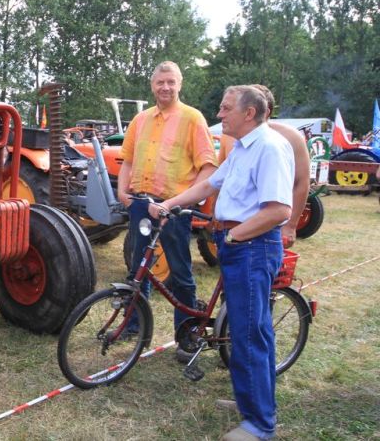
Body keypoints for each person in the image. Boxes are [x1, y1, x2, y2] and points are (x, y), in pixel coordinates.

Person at [150, 84, 294, 441]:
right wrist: (168, 205)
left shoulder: (270, 148)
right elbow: (206, 186)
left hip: (250, 246)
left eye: (226, 108)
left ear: (249, 113)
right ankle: (252, 405)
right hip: (240, 245)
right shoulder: (244, 149)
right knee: (250, 331)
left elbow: (279, 210)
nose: (219, 114)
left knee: (248, 334)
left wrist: (234, 236)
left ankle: (260, 424)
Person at [117, 61, 217, 359]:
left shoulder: (192, 119)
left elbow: (208, 168)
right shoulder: (141, 120)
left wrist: (184, 202)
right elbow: (128, 160)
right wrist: (123, 193)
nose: (165, 87)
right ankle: (135, 325)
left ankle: (185, 333)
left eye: (171, 82)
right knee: (138, 268)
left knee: (180, 273)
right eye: (160, 82)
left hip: (173, 209)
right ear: (152, 85)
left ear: (180, 85)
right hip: (141, 204)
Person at [216, 85, 310, 246]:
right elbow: (218, 182)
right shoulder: (234, 138)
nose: (221, 115)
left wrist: (291, 225)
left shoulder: (284, 140)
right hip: (235, 233)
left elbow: (301, 182)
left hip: (258, 236)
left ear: (264, 112)